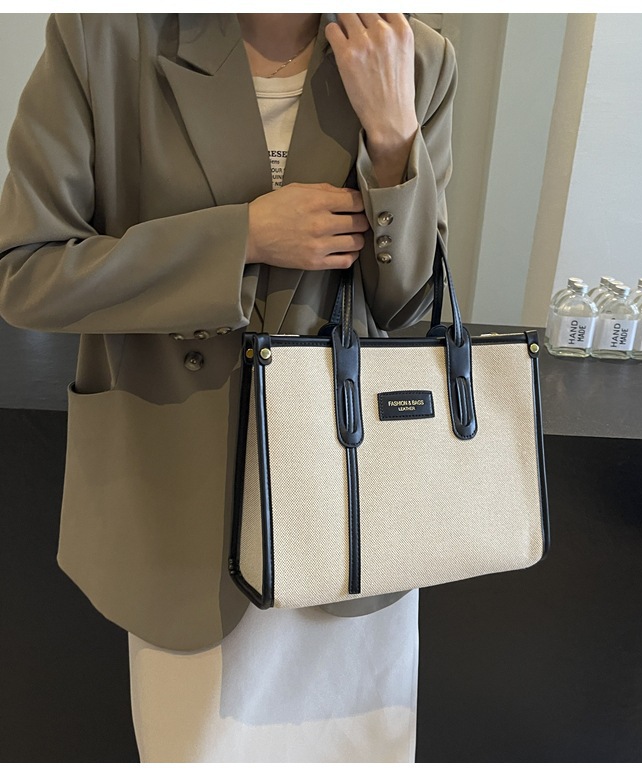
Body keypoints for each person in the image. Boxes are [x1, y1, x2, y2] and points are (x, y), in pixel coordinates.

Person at [0, 12, 455, 762]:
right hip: (178, 497)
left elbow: (408, 306)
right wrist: (240, 238)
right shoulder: (104, 37)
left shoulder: (408, 53)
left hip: (346, 501)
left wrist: (392, 140)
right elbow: (28, 273)